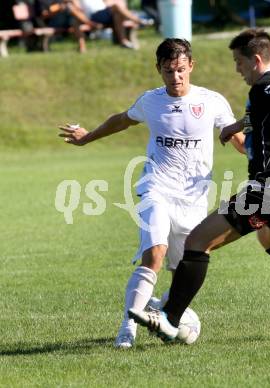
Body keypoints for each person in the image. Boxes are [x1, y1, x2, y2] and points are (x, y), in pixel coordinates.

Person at [128, 28, 270, 341]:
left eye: (239, 62)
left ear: (255, 60)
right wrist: (235, 127)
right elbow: (266, 113)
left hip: (267, 190)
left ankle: (169, 318)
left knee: (198, 243)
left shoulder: (265, 87)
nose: (236, 69)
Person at [58, 38, 244, 348]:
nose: (176, 78)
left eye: (181, 70)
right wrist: (86, 137)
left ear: (191, 66)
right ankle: (127, 329)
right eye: (169, 71)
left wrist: (261, 158)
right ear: (158, 69)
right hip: (156, 189)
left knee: (184, 270)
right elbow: (121, 120)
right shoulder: (151, 101)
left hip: (194, 200)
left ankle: (158, 310)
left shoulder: (211, 101)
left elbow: (235, 137)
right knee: (154, 254)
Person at [78, 0, 147, 49]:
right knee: (116, 6)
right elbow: (77, 10)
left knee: (117, 13)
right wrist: (89, 22)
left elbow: (106, 3)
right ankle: (138, 21)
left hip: (105, 13)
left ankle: (124, 42)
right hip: (94, 16)